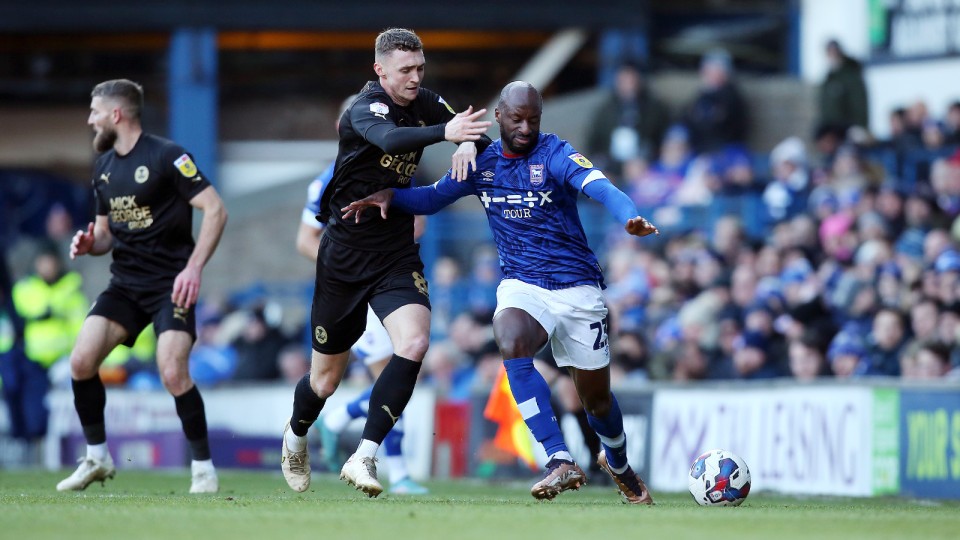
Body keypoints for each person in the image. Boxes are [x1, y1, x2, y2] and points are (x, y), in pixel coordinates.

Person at [343, 81, 659, 504]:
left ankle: (618, 464)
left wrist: (629, 216)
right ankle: (559, 458)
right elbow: (432, 198)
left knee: (597, 401)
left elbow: (601, 187)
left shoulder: (556, 154)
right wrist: (389, 196)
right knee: (508, 337)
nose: (526, 127)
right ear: (499, 117)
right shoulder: (482, 164)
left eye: (533, 119)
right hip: (522, 284)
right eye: (516, 118)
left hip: (578, 289)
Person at [280, 27, 492, 498]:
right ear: (380, 70)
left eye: (420, 68)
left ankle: (365, 456)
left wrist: (464, 143)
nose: (416, 78)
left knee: (415, 343)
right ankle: (295, 438)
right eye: (406, 70)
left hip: (395, 252)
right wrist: (446, 133)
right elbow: (392, 139)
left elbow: (474, 130)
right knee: (325, 380)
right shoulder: (364, 109)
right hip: (344, 258)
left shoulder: (428, 101)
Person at [57, 79, 228, 493]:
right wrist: (88, 242)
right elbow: (103, 235)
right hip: (126, 284)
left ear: (117, 114)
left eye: (95, 112)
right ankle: (97, 458)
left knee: (172, 371)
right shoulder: (102, 168)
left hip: (172, 284)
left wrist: (193, 268)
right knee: (81, 363)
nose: (90, 120)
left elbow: (215, 209)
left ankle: (203, 470)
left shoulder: (168, 156)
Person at [293, 94, 428, 494]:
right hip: (348, 283)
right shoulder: (326, 180)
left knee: (405, 356)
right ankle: (323, 425)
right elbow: (305, 239)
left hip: (389, 277)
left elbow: (419, 219)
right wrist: (347, 260)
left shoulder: (400, 170)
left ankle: (388, 466)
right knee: (329, 380)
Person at [9, 242, 87, 453]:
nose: (47, 267)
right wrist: (50, 310)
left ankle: (75, 452)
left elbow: (79, 325)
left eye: (51, 262)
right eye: (43, 263)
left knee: (74, 405)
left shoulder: (72, 288)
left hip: (64, 360)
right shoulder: (26, 288)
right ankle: (36, 450)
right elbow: (27, 310)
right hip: (35, 360)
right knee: (35, 411)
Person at [818, 39, 869, 133]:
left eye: (834, 52)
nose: (832, 56)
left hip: (847, 129)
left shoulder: (851, 76)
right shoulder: (829, 77)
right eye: (829, 52)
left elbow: (859, 103)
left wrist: (860, 126)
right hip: (832, 131)